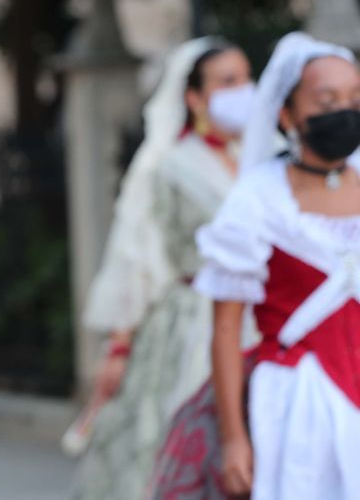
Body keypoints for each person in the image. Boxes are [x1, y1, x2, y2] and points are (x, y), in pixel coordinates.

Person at [150, 32, 360, 499]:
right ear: (287, 115)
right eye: (326, 101)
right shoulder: (258, 200)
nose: (344, 111)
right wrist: (233, 438)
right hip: (297, 405)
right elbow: (225, 331)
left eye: (354, 98)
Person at [68, 38, 256, 499]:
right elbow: (140, 260)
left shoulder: (267, 158)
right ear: (193, 98)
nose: (243, 90)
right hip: (193, 322)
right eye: (227, 81)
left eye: (246, 78)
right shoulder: (167, 168)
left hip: (266, 318)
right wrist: (119, 347)